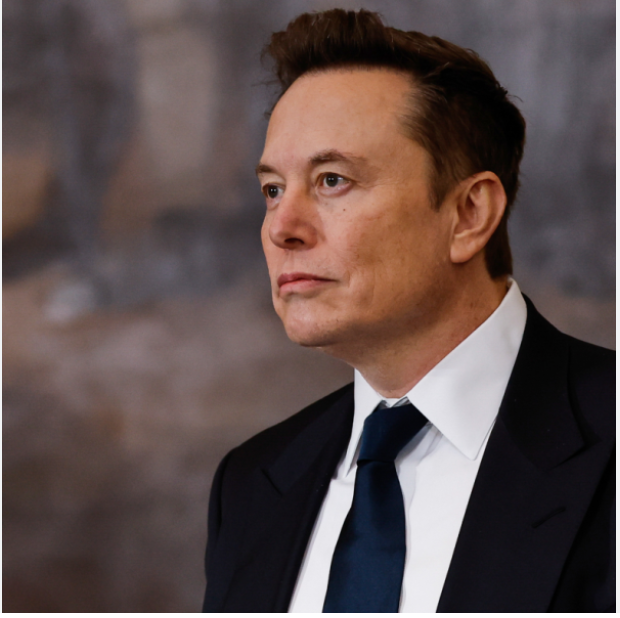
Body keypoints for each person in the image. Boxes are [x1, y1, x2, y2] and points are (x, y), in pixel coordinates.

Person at [202, 9, 614, 613]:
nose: (281, 227)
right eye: (272, 189)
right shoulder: (250, 485)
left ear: (469, 214)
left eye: (332, 180)